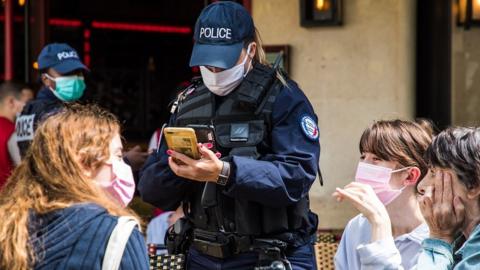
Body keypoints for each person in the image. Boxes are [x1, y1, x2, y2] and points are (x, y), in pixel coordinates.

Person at [138, 2, 320, 269]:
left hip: (270, 255)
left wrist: (224, 172)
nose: (214, 71)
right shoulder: (188, 101)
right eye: (208, 62)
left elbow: (297, 176)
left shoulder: (283, 97)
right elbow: (151, 190)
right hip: (202, 254)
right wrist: (177, 168)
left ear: (250, 51)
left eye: (223, 62)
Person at [0, 104, 148, 270]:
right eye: (119, 156)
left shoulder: (10, 226)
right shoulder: (118, 234)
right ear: (84, 164)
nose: (123, 165)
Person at [333, 120, 434, 269]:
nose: (364, 166)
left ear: (410, 176)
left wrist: (379, 222)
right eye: (363, 157)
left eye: (376, 159)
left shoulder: (437, 237)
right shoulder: (357, 226)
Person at [415, 127, 480, 269]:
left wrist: (439, 238)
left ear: (473, 185)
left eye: (433, 172)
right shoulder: (461, 239)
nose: (421, 185)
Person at [16, 43, 89, 157]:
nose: (75, 77)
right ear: (45, 79)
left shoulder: (28, 110)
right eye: (66, 73)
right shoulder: (55, 114)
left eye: (78, 72)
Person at [0, 82, 25, 189]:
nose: (25, 107)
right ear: (11, 102)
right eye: (24, 102)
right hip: (6, 197)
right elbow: (22, 168)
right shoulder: (12, 131)